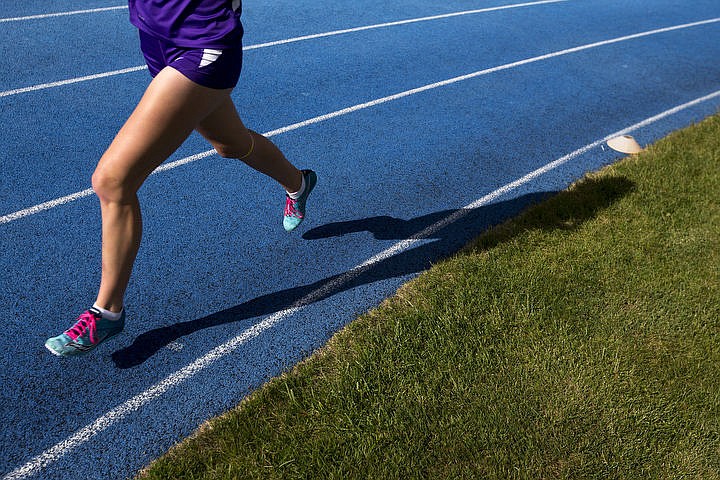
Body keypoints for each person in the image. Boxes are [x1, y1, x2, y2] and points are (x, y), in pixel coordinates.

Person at [45, 0, 317, 357]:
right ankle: (298, 182)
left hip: (204, 43)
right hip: (156, 36)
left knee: (113, 181)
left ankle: (108, 310)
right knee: (230, 144)